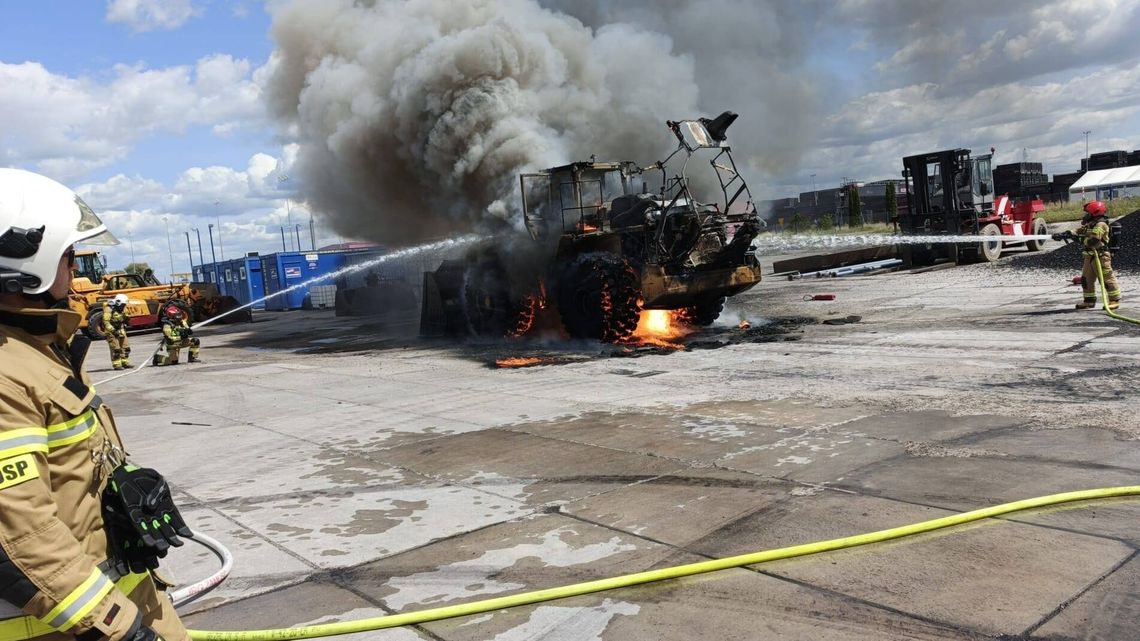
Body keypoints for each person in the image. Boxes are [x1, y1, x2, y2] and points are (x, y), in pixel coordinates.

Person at [0, 168, 191, 641]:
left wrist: (115, 483)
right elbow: (18, 538)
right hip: (69, 626)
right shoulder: (7, 370)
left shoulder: (40, 347)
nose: (73, 268)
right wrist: (118, 628)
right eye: (68, 255)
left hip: (123, 598)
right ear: (30, 264)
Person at [1055, 201, 1121, 310]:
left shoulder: (1101, 224)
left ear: (1094, 213)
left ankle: (1114, 300)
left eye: (1088, 213)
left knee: (1106, 278)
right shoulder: (1092, 223)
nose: (1086, 215)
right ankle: (1089, 301)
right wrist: (1067, 233)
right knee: (1086, 280)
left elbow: (1093, 241)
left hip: (1100, 256)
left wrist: (1078, 239)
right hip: (1089, 256)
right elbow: (1080, 230)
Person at [102, 293, 132, 370]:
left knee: (126, 347)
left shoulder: (123, 309)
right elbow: (106, 322)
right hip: (111, 331)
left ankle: (125, 362)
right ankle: (117, 364)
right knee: (116, 349)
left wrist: (127, 319)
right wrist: (113, 330)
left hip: (121, 329)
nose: (124, 306)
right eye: (123, 304)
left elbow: (126, 316)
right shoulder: (109, 309)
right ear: (118, 302)